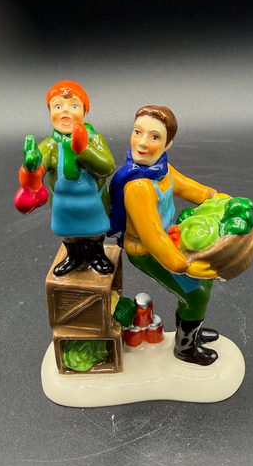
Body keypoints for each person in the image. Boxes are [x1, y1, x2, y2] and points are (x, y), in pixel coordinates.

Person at [109, 105, 227, 366]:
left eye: (154, 137)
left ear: (167, 143)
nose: (142, 142)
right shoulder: (139, 186)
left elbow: (189, 188)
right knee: (196, 294)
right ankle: (185, 348)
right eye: (138, 132)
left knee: (203, 285)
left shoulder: (161, 168)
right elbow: (153, 237)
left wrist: (218, 198)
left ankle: (192, 333)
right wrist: (184, 265)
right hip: (146, 251)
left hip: (169, 236)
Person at [15, 80, 115, 276]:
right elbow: (40, 166)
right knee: (69, 234)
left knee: (95, 232)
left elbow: (107, 167)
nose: (65, 112)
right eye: (58, 106)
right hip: (63, 203)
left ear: (85, 111)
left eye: (74, 106)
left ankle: (96, 255)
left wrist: (84, 150)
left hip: (93, 201)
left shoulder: (94, 139)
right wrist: (32, 165)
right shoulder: (50, 145)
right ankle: (73, 257)